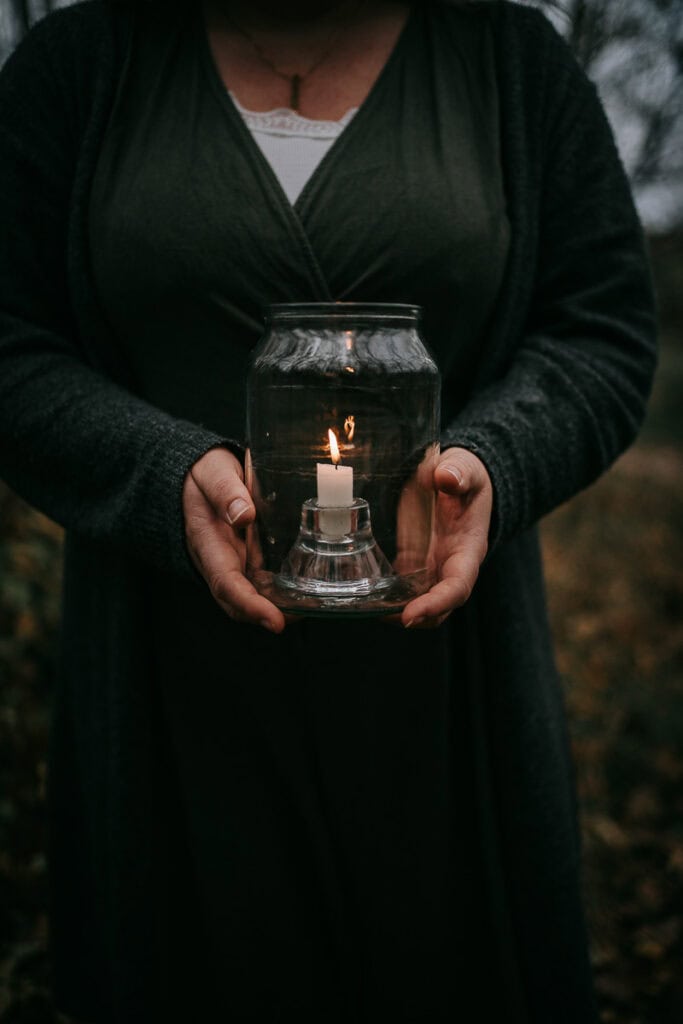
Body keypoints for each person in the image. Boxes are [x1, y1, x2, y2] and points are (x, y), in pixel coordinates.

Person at [0, 0, 657, 1020]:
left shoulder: (504, 60)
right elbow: (11, 341)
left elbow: (600, 329)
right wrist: (160, 471)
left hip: (447, 691)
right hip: (164, 682)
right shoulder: (86, 63)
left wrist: (491, 458)